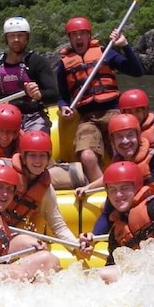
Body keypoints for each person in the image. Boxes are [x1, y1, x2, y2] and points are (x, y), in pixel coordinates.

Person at [0, 130, 93, 257]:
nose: (38, 161)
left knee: (34, 246)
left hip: (4, 236)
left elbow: (58, 227)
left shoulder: (46, 190)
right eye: (33, 156)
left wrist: (76, 246)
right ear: (23, 157)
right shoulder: (0, 166)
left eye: (42, 156)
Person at [56, 16, 145, 182]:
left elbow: (137, 71)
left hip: (113, 112)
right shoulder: (64, 64)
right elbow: (62, 97)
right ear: (70, 38)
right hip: (88, 118)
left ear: (89, 35)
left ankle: (133, 179)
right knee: (87, 156)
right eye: (74, 35)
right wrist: (63, 107)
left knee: (125, 147)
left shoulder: (105, 52)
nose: (79, 38)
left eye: (82, 33)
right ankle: (106, 189)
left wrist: (125, 46)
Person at [89, 161, 154, 284]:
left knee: (102, 275)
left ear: (137, 186)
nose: (118, 194)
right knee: (97, 276)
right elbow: (112, 265)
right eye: (112, 190)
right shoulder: (116, 234)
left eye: (124, 188)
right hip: (143, 279)